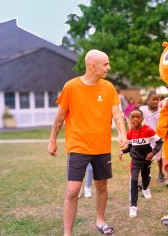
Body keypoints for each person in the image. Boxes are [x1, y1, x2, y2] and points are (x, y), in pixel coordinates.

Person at [47, 49, 127, 236]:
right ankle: (67, 233)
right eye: (105, 64)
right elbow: (59, 118)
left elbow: (117, 114)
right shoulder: (71, 87)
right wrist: (52, 140)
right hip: (78, 146)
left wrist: (123, 133)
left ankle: (100, 220)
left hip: (101, 147)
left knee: (101, 186)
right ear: (92, 66)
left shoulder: (108, 87)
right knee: (73, 189)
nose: (109, 67)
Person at [119, 110, 163, 217]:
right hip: (135, 161)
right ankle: (133, 206)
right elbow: (130, 147)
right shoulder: (129, 133)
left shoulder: (148, 130)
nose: (135, 119)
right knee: (134, 180)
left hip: (146, 160)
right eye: (132, 117)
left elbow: (160, 141)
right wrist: (122, 151)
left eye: (138, 117)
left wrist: (153, 153)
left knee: (145, 178)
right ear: (129, 119)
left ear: (142, 119)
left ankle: (145, 188)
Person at [139, 91, 168, 186]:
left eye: (157, 99)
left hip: (161, 137)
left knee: (165, 157)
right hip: (148, 138)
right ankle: (150, 176)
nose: (156, 101)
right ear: (147, 100)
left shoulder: (162, 110)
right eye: (153, 99)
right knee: (151, 158)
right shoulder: (143, 109)